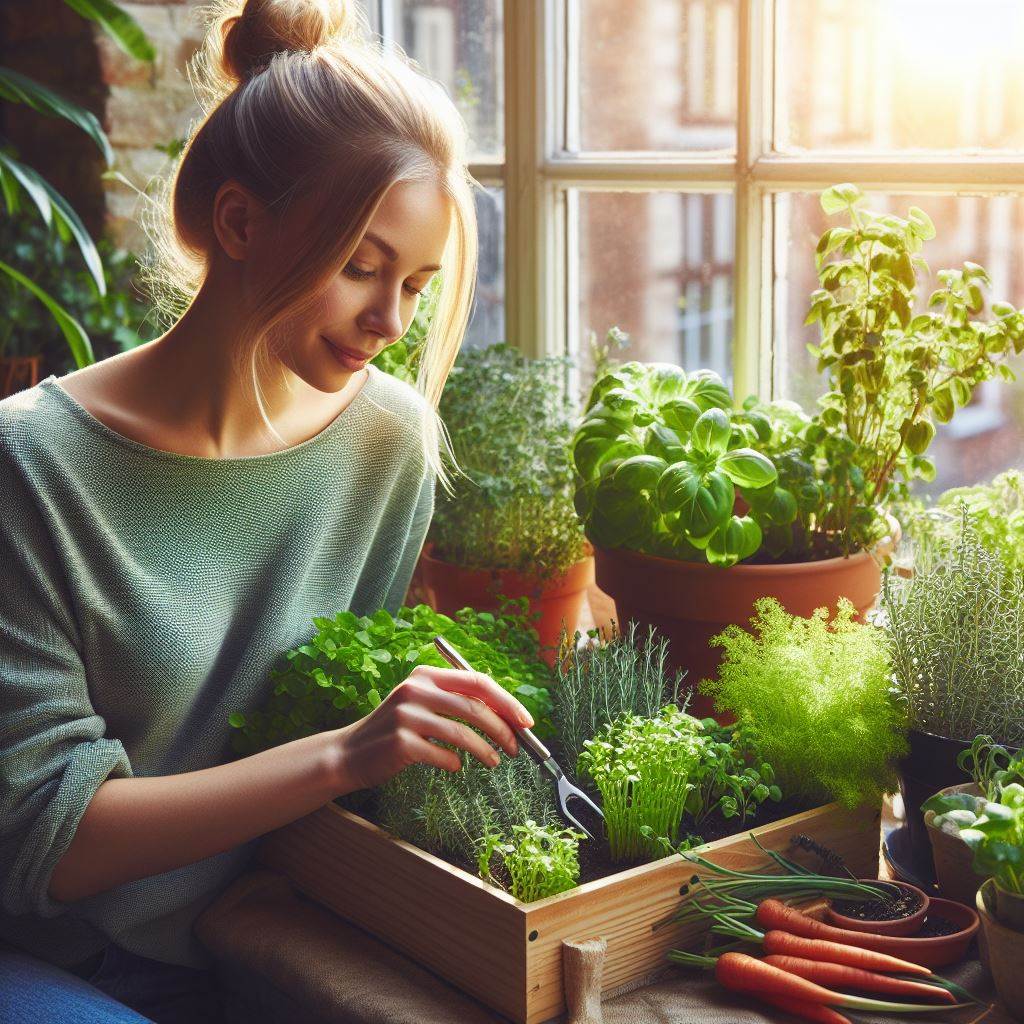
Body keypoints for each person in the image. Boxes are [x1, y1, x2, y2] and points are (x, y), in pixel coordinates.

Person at [0, 1, 532, 1020]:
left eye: (417, 284)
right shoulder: (30, 466)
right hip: (67, 959)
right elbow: (46, 844)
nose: (389, 321)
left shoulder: (388, 444)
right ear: (241, 222)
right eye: (361, 267)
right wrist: (347, 751)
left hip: (281, 931)